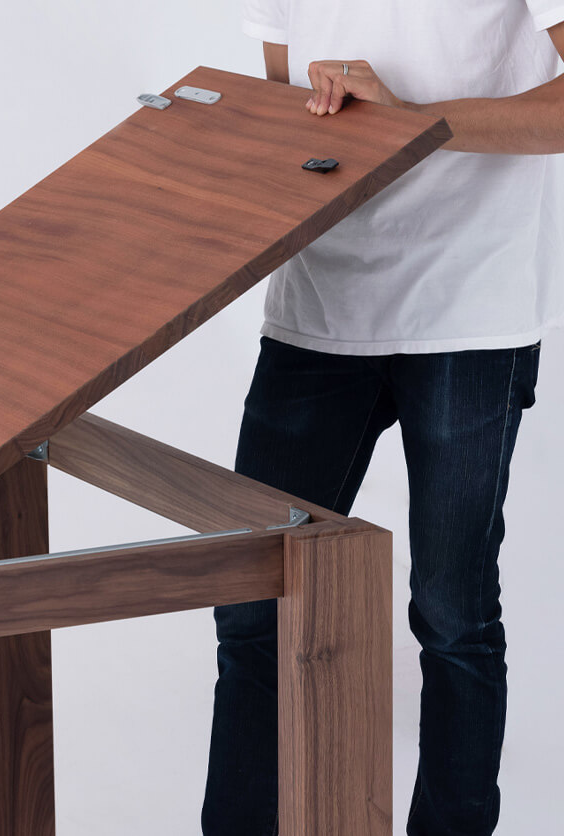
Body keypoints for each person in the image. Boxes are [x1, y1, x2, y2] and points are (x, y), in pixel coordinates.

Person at [202, 2, 564, 835]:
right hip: (318, 306)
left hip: (475, 308)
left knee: (453, 616)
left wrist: (414, 122)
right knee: (251, 606)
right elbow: (285, 119)